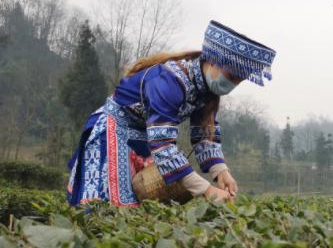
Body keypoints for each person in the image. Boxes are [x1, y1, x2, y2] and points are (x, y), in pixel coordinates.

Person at [66, 20, 276, 206]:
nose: (233, 83)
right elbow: (164, 146)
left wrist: (222, 173)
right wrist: (206, 190)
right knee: (109, 206)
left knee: (143, 210)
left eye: (239, 80)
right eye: (231, 75)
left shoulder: (207, 93)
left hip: (144, 140)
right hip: (115, 130)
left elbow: (205, 138)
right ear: (213, 61)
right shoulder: (168, 81)